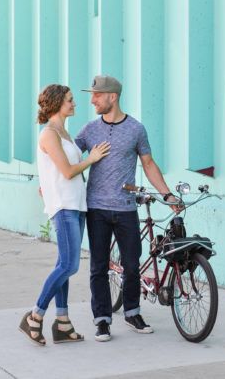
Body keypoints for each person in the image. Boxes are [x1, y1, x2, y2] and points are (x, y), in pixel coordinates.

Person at [75, 75, 179, 342]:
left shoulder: (136, 129)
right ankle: (102, 320)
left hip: (125, 208)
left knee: (132, 265)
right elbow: (68, 158)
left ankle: (132, 313)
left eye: (97, 95)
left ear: (112, 97)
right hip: (97, 208)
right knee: (99, 267)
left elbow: (148, 164)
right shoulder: (88, 130)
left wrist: (167, 194)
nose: (92, 100)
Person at [19, 84, 110, 346]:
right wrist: (92, 158)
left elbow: (53, 171)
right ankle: (35, 316)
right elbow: (68, 171)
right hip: (63, 206)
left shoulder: (64, 133)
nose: (74, 103)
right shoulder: (49, 134)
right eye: (70, 100)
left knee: (64, 265)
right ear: (58, 102)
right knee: (70, 265)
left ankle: (62, 323)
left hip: (77, 205)